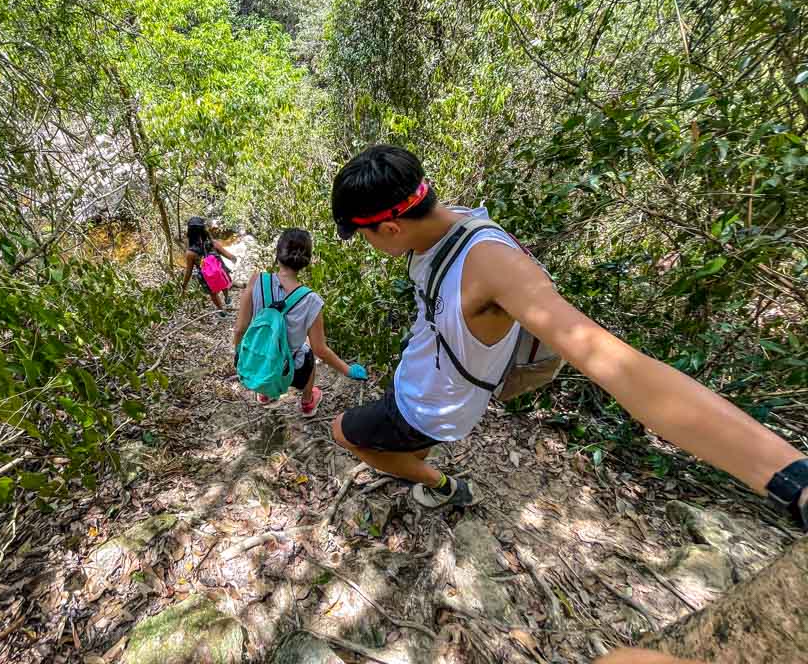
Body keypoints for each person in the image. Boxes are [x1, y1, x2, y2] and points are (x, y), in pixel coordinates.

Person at [328, 144, 808, 525]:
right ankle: (421, 464)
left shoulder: (491, 265)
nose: (368, 245)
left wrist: (790, 477)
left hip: (429, 404)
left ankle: (444, 487)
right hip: (433, 388)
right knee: (407, 447)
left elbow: (620, 366)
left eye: (365, 236)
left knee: (343, 433)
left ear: (389, 229)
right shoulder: (442, 223)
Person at [232, 228, 368, 416]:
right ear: (306, 261)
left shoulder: (257, 280)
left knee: (266, 347)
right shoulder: (312, 300)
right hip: (289, 371)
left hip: (259, 365)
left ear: (278, 254)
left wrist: (239, 355)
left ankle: (265, 393)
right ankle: (307, 402)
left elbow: (240, 329)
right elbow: (321, 351)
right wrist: (348, 370)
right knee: (307, 350)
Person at [181, 216, 236, 317]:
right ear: (203, 230)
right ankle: (227, 297)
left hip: (206, 277)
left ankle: (221, 310)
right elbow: (228, 255)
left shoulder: (190, 253)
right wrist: (234, 258)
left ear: (190, 233)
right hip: (220, 272)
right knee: (223, 281)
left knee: (213, 293)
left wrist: (184, 285)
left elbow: (188, 272)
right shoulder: (213, 243)